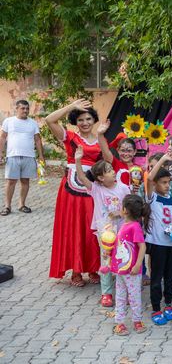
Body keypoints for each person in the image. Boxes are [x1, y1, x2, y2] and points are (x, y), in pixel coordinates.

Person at [46, 99, 102, 286]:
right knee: (74, 227)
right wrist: (71, 106)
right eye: (80, 119)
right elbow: (49, 120)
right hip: (71, 189)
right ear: (75, 122)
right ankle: (76, 271)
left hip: (92, 187)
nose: (85, 123)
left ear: (94, 120)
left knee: (92, 228)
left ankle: (94, 268)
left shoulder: (101, 139)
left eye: (88, 119)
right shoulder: (69, 137)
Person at [75, 145, 130, 307]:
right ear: (100, 177)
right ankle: (106, 293)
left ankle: (123, 291)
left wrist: (120, 214)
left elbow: (129, 208)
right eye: (108, 170)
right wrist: (78, 160)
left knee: (122, 260)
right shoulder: (96, 189)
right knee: (105, 261)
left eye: (112, 169)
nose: (113, 172)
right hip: (104, 232)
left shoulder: (123, 187)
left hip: (121, 230)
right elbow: (82, 177)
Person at [144, 157, 172, 325]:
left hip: (171, 244)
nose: (167, 185)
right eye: (163, 182)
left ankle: (168, 304)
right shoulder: (152, 199)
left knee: (170, 276)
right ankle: (156, 307)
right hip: (157, 244)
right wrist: (164, 159)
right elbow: (149, 178)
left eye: (168, 182)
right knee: (157, 278)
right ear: (156, 184)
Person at [111, 195, 150, 335]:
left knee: (134, 297)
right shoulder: (123, 225)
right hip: (120, 270)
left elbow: (142, 247)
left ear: (125, 210)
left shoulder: (135, 227)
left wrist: (138, 264)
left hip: (132, 270)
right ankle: (119, 322)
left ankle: (137, 321)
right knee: (120, 296)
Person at [0, 99, 45, 216]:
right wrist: (0, 153)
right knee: (11, 182)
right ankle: (7, 206)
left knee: (25, 181)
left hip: (29, 156)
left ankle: (21, 204)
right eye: (22, 108)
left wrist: (41, 156)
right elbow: (3, 138)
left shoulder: (33, 123)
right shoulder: (8, 121)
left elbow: (37, 139)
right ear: (17, 109)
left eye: (27, 108)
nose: (25, 111)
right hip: (12, 155)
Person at [96, 120, 135, 189]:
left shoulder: (140, 168)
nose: (126, 154)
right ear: (118, 150)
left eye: (129, 151)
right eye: (123, 150)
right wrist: (100, 134)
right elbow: (105, 150)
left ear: (134, 152)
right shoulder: (114, 163)